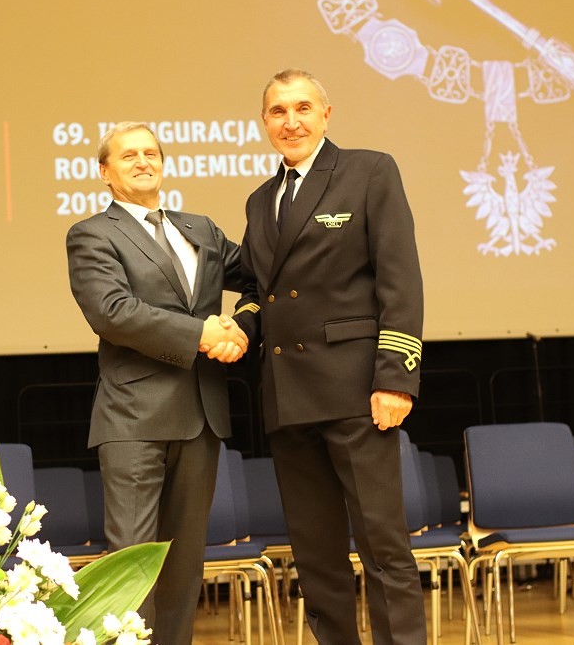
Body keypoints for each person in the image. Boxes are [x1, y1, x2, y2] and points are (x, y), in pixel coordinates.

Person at [231, 69, 426, 644]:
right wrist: (238, 329)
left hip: (356, 391)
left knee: (384, 548)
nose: (290, 121)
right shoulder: (260, 200)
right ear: (264, 122)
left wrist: (396, 379)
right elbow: (257, 290)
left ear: (325, 114)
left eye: (302, 108)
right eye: (278, 111)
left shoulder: (369, 171)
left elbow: (400, 281)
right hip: (288, 396)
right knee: (315, 557)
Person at [65, 121, 248, 645]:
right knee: (132, 565)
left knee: (184, 566)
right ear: (105, 172)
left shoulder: (201, 228)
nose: (143, 161)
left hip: (202, 416)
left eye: (151, 153)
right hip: (133, 419)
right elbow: (112, 312)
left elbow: (263, 277)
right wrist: (202, 334)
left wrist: (242, 325)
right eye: (129, 155)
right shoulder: (92, 234)